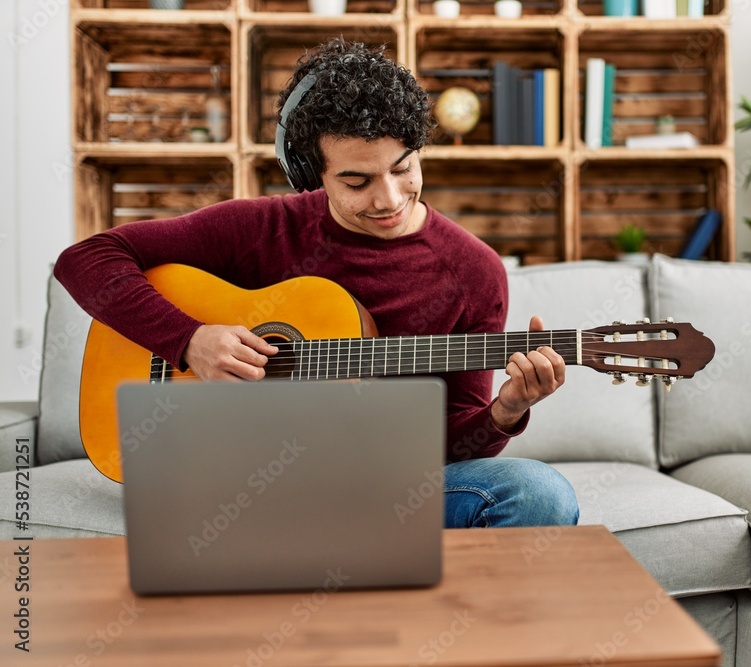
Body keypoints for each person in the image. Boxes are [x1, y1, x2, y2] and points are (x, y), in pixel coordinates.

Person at [54, 37, 579, 529]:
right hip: (245, 471)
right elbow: (86, 259)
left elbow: (449, 444)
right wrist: (189, 340)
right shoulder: (261, 229)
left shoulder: (473, 271)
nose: (390, 199)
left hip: (373, 484)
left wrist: (506, 411)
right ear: (312, 174)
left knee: (537, 493)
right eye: (357, 181)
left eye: (403, 169)